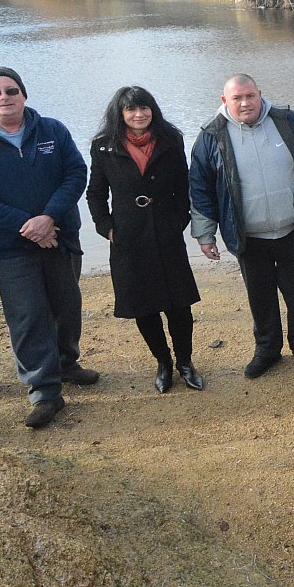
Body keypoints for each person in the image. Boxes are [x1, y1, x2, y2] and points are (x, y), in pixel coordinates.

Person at [0, 67, 96, 430]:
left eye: (11, 90)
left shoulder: (52, 130)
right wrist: (29, 226)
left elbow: (75, 174)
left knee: (67, 303)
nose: (5, 98)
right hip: (12, 245)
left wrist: (48, 217)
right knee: (28, 315)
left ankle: (66, 362)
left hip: (60, 235)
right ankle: (44, 391)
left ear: (24, 95)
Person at [189, 73, 294, 379]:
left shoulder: (286, 120)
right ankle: (267, 350)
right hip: (248, 236)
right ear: (224, 101)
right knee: (260, 297)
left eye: (250, 96)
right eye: (237, 98)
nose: (245, 103)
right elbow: (200, 188)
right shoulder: (211, 136)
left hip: (293, 230)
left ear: (260, 94)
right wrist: (205, 234)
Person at [86, 86, 204, 395]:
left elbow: (183, 183)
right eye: (131, 110)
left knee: (179, 305)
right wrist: (106, 228)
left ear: (153, 110)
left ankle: (186, 363)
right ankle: (163, 363)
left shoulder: (170, 140)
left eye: (144, 108)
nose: (139, 114)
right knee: (144, 306)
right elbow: (96, 193)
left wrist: (179, 220)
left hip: (166, 234)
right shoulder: (103, 147)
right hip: (128, 238)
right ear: (121, 114)